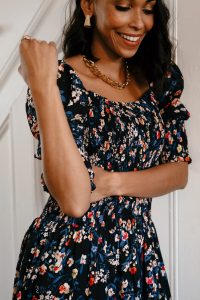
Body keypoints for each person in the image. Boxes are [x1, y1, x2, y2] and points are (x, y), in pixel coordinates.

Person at [13, 0, 192, 299]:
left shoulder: (158, 79)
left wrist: (109, 182)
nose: (139, 22)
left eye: (147, 9)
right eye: (124, 6)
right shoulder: (60, 83)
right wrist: (41, 85)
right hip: (67, 264)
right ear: (89, 5)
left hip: (138, 259)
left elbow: (178, 171)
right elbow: (74, 200)